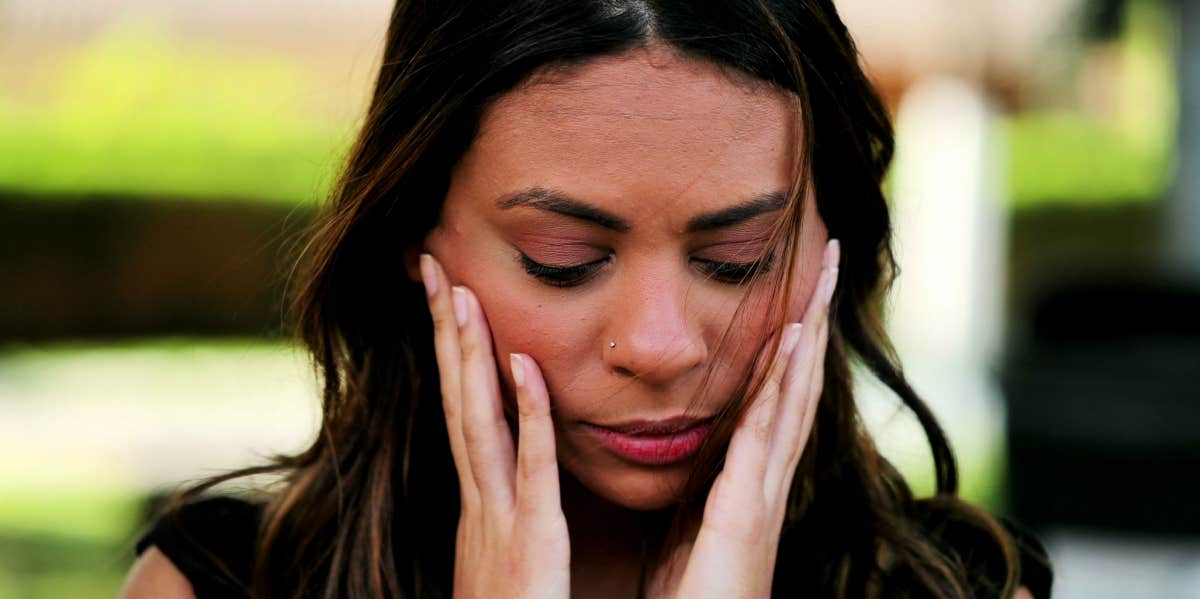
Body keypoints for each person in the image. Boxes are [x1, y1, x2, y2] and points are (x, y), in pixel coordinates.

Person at [120, 1, 1053, 598]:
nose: (660, 345)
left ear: (831, 244)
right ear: (412, 234)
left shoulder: (960, 588)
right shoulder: (216, 583)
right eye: (564, 260)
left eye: (738, 256)